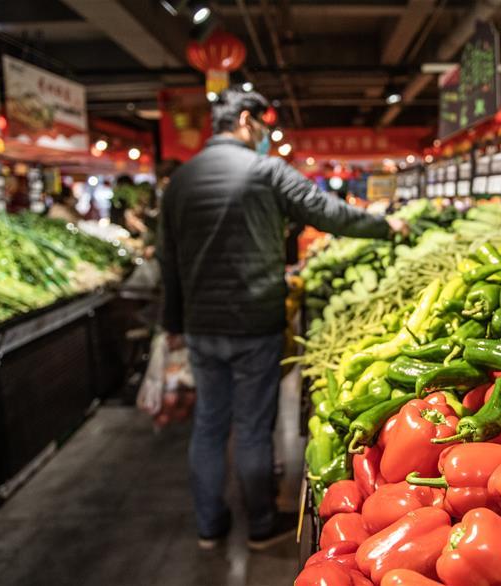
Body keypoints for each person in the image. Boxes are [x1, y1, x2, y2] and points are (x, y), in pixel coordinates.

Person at [157, 87, 407, 552]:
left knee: (210, 424)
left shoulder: (183, 180)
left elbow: (166, 260)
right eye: (264, 126)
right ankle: (260, 524)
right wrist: (384, 226)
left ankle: (209, 527)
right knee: (253, 426)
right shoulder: (264, 170)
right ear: (248, 120)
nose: (266, 135)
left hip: (201, 325)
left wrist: (173, 321)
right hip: (255, 321)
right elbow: (327, 212)